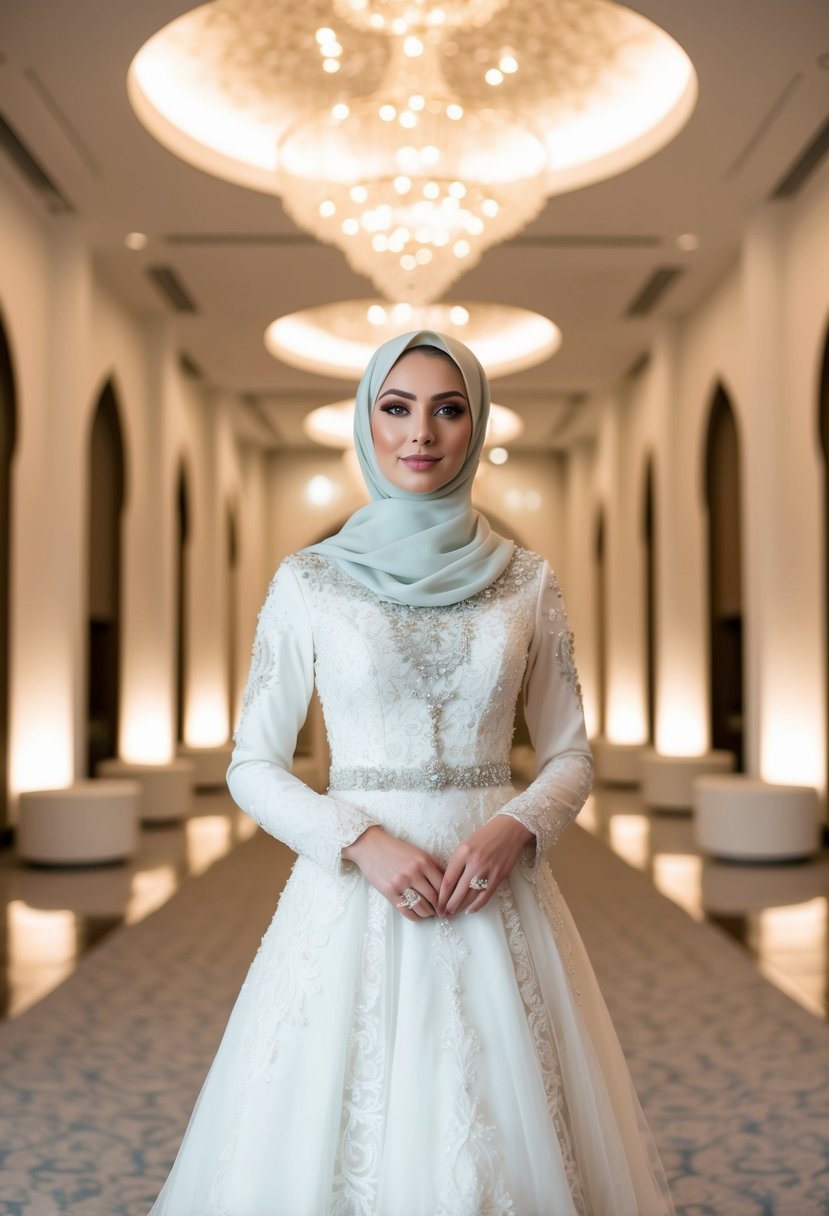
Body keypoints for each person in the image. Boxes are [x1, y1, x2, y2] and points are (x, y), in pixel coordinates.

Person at [147, 331, 675, 1215]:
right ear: (366, 421)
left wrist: (518, 826)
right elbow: (252, 764)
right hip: (355, 897)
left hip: (493, 894)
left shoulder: (526, 581)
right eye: (395, 407)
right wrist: (357, 840)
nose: (419, 432)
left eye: (447, 408)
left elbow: (570, 754)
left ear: (477, 426)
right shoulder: (307, 580)